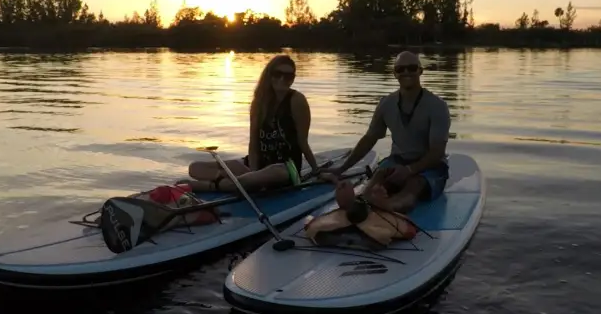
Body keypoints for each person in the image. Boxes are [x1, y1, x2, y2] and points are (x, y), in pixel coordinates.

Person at [320, 51, 450, 213]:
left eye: (411, 68)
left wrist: (409, 170)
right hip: (396, 162)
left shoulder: (437, 106)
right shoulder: (386, 103)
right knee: (377, 178)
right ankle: (364, 201)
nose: (406, 72)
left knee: (413, 185)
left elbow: (437, 153)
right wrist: (340, 169)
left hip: (429, 168)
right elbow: (369, 139)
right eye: (400, 69)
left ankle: (390, 205)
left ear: (420, 71)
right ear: (395, 73)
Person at [185, 54, 319, 193]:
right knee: (195, 168)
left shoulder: (297, 100)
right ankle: (232, 182)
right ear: (269, 75)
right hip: (257, 165)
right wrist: (253, 172)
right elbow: (253, 143)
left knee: (246, 180)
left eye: (288, 76)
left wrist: (316, 171)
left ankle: (207, 186)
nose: (282, 79)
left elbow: (303, 142)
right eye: (277, 74)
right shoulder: (259, 102)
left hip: (284, 168)